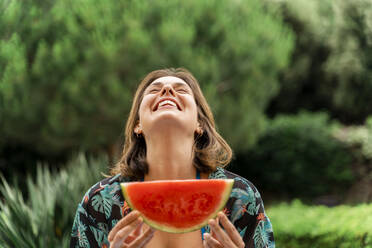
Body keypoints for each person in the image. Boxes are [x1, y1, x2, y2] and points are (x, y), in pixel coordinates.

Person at [70, 68, 275, 248]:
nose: (167, 91)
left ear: (199, 124)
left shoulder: (240, 198)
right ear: (137, 125)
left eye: (182, 90)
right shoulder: (100, 201)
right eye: (153, 90)